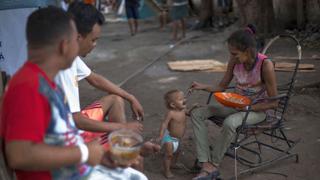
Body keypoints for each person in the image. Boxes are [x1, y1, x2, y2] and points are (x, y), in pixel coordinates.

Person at [0, 7, 105, 179]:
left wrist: (98, 157)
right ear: (64, 46)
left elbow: (59, 137)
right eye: (75, 40)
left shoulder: (42, 81)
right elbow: (20, 155)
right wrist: (84, 153)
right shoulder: (28, 87)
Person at [189, 27, 278, 179]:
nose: (232, 57)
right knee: (197, 113)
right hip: (237, 107)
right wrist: (202, 87)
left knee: (230, 123)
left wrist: (249, 107)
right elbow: (221, 87)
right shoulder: (234, 61)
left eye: (235, 54)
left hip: (257, 111)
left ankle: (213, 165)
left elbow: (274, 103)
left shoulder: (265, 65)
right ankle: (204, 161)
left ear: (248, 50)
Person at [55, 2, 144, 144]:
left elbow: (94, 79)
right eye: (93, 40)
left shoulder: (68, 53)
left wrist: (130, 97)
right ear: (78, 37)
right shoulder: (63, 67)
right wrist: (123, 127)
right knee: (128, 152)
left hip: (66, 124)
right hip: (63, 137)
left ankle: (122, 145)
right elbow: (76, 120)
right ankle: (121, 149)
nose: (95, 45)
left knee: (116, 99)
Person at [158, 89, 187, 178]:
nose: (184, 100)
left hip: (178, 138)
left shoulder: (183, 110)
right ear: (173, 105)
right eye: (181, 99)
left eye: (184, 98)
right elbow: (164, 124)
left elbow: (188, 113)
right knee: (169, 155)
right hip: (169, 138)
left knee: (178, 152)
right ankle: (167, 170)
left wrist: (193, 108)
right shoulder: (171, 113)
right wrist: (161, 135)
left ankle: (174, 164)